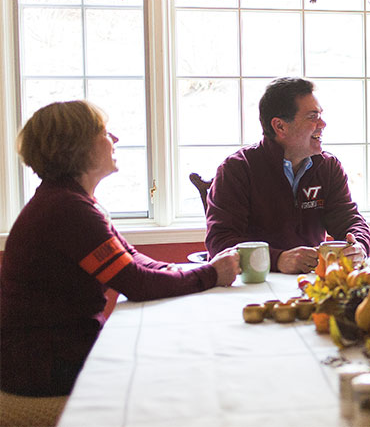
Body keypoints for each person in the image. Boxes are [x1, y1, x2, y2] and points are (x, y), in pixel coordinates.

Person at [0, 101, 240, 420]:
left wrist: (203, 270)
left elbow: (135, 262)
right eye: (103, 132)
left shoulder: (69, 201)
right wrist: (210, 275)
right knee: (185, 375)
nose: (114, 138)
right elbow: (137, 282)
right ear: (77, 146)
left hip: (47, 357)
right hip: (44, 369)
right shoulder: (68, 210)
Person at [205, 77, 370, 274]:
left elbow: (349, 219)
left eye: (320, 115)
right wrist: (278, 260)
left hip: (308, 286)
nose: (323, 123)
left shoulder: (328, 167)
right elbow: (220, 243)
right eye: (312, 116)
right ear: (280, 127)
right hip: (252, 287)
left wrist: (359, 246)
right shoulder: (236, 169)